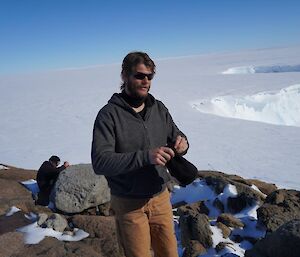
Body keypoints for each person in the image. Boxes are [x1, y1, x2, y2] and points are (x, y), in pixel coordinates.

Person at [91, 52, 188, 257]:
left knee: (169, 253)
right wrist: (146, 157)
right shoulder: (109, 115)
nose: (146, 81)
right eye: (140, 76)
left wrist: (183, 144)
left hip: (160, 198)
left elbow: (175, 134)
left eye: (150, 77)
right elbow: (100, 161)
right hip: (129, 204)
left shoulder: (158, 108)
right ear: (124, 75)